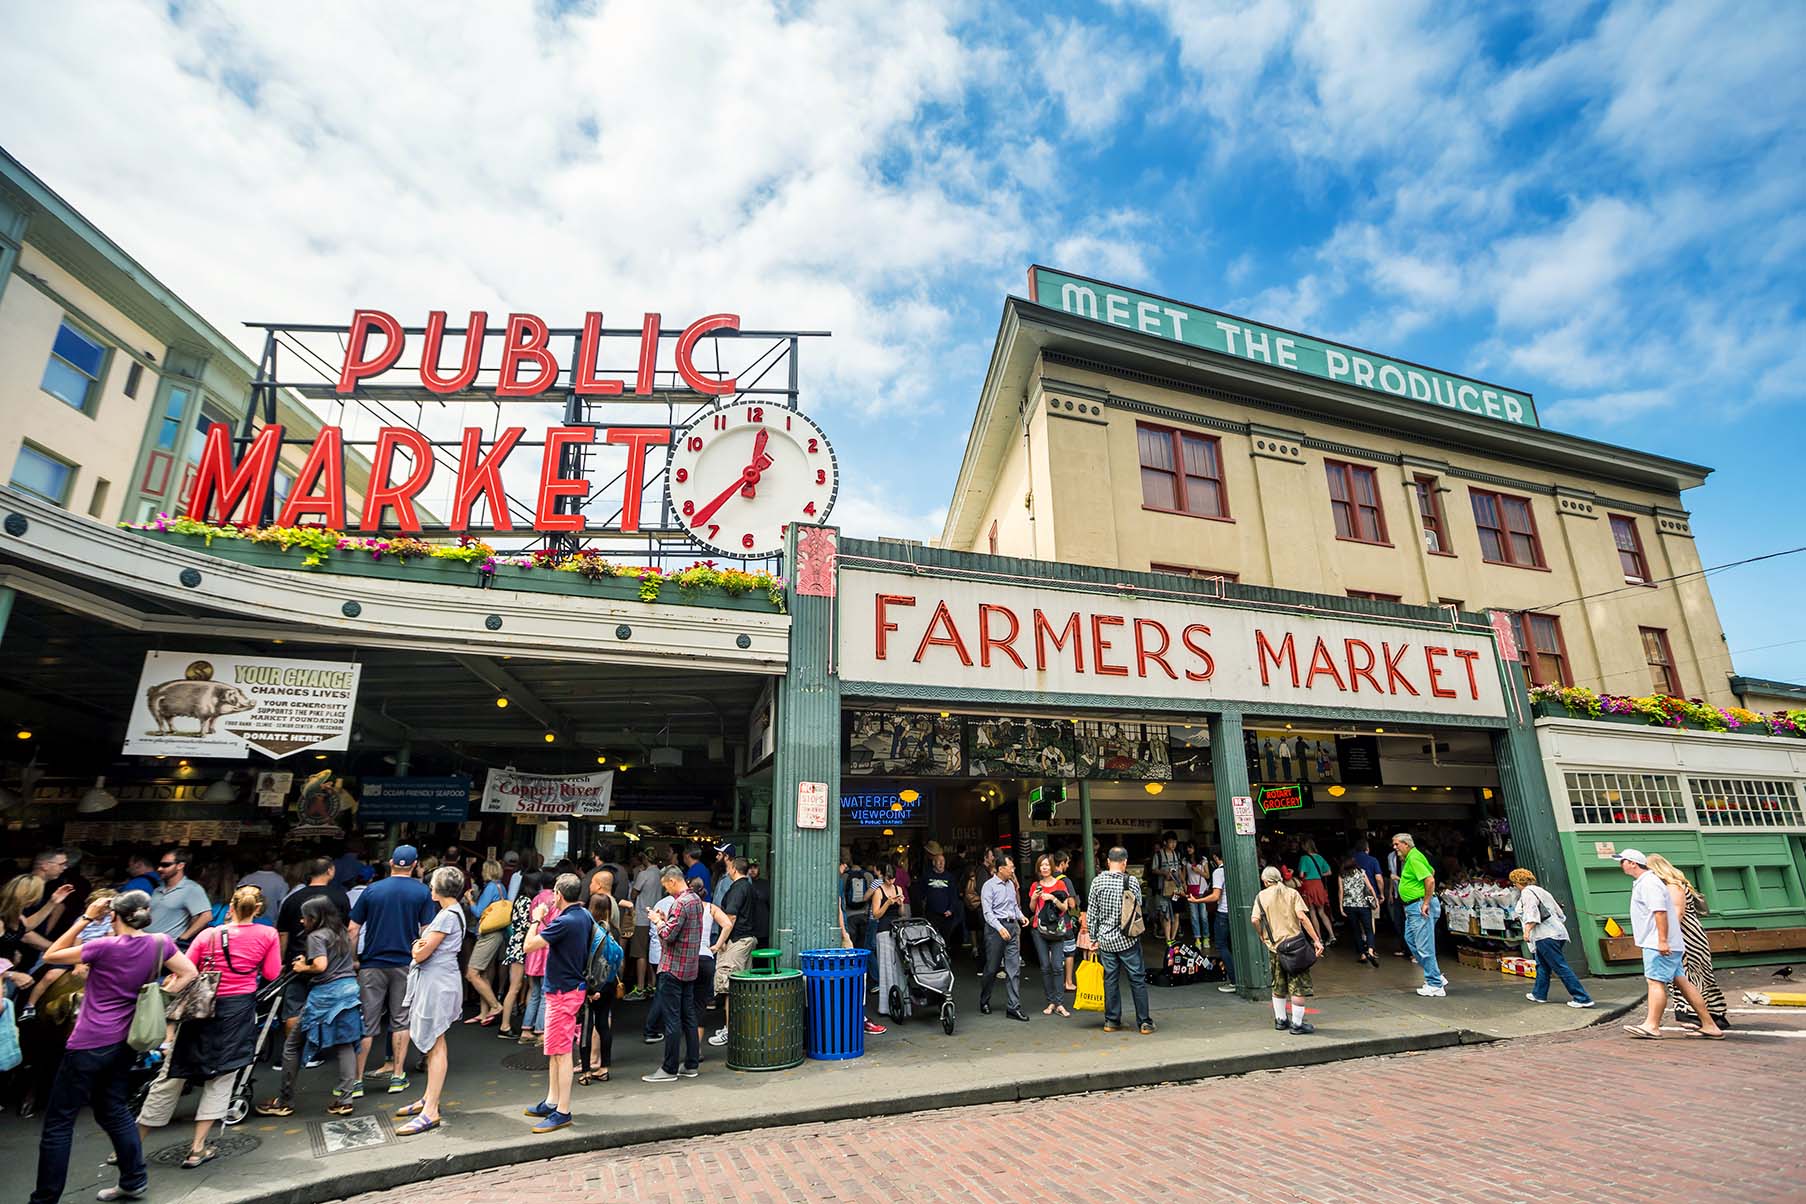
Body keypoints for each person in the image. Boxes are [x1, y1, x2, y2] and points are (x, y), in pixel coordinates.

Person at [30, 890, 198, 1204]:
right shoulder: (160, 942)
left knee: (58, 1123)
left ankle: (44, 1199)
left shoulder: (103, 946)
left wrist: (85, 918)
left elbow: (51, 956)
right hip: (126, 1041)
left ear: (114, 915)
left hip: (89, 1041)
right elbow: (189, 972)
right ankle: (133, 1181)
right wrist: (160, 997)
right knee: (113, 1110)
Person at [136, 885, 280, 1166]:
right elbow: (271, 973)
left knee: (172, 1075)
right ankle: (197, 1148)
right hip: (237, 1011)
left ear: (231, 907)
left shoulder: (209, 934)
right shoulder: (267, 934)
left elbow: (187, 970)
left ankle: (130, 1145)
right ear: (259, 909)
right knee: (221, 1077)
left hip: (201, 1009)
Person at [258, 894, 362, 1117]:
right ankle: (345, 1100)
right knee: (345, 1045)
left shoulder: (316, 936)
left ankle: (285, 1100)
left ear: (315, 917)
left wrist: (302, 968)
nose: (302, 921)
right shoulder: (340, 932)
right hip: (349, 990)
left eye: (305, 917)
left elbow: (320, 965)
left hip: (326, 995)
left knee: (292, 1045)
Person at [349, 844, 436, 1093]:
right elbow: (425, 931)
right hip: (405, 963)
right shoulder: (422, 892)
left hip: (372, 963)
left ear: (391, 863)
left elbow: (353, 929)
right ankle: (397, 1076)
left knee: (366, 1021)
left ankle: (356, 1080)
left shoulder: (372, 890)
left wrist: (354, 959)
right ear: (415, 864)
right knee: (401, 1020)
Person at [1616, 849, 1725, 1040]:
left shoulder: (1648, 883)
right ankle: (1709, 1025)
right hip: (1664, 941)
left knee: (1655, 982)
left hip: (1657, 941)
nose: (1620, 865)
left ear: (1633, 863)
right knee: (1682, 982)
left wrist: (1662, 940)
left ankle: (1652, 1025)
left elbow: (1659, 912)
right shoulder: (1649, 882)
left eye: (1623, 861)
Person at [392, 866, 466, 1135]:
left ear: (437, 890)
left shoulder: (446, 916)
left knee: (435, 1043)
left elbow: (421, 954)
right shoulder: (454, 912)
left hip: (437, 983)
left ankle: (431, 1109)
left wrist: (416, 945)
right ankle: (428, 1099)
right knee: (437, 1041)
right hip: (441, 980)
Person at [523, 872, 593, 1134]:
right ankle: (552, 1100)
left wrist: (537, 919)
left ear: (558, 895)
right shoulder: (583, 915)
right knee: (555, 1050)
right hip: (569, 989)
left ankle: (562, 1110)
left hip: (563, 992)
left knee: (562, 1053)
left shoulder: (565, 921)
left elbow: (530, 945)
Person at [1640, 855, 1727, 1029]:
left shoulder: (1672, 886)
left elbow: (1677, 913)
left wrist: (1666, 939)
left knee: (1690, 974)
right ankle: (1708, 1018)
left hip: (1685, 935)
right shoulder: (1676, 885)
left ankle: (1698, 1017)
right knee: (1689, 975)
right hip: (1687, 934)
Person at [274, 858, 349, 1046]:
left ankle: (292, 1049)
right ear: (330, 871)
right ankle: (316, 1048)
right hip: (330, 962)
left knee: (294, 1009)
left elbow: (283, 934)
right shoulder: (339, 897)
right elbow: (345, 930)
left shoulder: (292, 899)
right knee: (327, 1009)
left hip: (297, 961)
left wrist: (281, 961)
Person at [643, 866, 703, 1083]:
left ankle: (669, 1068)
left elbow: (668, 935)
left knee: (672, 1019)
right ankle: (691, 1063)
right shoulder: (695, 900)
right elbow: (682, 930)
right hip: (689, 967)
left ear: (671, 881)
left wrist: (657, 921)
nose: (666, 890)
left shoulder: (680, 903)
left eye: (665, 886)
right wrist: (665, 918)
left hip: (673, 967)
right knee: (689, 1016)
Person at [1087, 847, 1154, 1034]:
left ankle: (1111, 1021)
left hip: (1106, 941)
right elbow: (1138, 905)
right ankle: (1144, 1022)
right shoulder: (1131, 881)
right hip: (1128, 940)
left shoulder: (1097, 882)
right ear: (1124, 862)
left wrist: (1093, 937)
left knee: (1110, 980)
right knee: (1137, 979)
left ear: (1108, 861)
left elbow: (1092, 912)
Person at [1252, 865, 1323, 1035]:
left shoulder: (1261, 896)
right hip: (1296, 946)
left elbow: (1254, 919)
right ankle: (1297, 1024)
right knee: (1297, 986)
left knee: (1278, 984)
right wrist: (1316, 940)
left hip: (1276, 947)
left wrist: (1262, 935)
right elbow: (1302, 917)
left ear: (1265, 881)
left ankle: (1280, 1020)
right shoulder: (1292, 893)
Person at [1509, 868, 1593, 1009]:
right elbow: (1560, 914)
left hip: (1544, 935)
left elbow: (1532, 912)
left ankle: (1582, 998)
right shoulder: (1542, 891)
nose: (1514, 886)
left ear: (1517, 882)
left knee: (1560, 966)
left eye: (1513, 883)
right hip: (1556, 932)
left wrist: (1527, 931)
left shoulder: (1527, 893)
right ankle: (1539, 994)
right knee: (1542, 965)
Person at [707, 856, 756, 1046]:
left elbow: (730, 918)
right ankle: (736, 1027)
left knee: (730, 987)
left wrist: (720, 943)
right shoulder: (749, 887)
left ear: (734, 869)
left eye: (729, 866)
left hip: (736, 942)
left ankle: (730, 1030)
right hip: (746, 940)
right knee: (739, 987)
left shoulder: (737, 888)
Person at [1393, 833, 1447, 996]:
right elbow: (1432, 870)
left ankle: (1435, 984)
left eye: (1397, 844)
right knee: (1411, 940)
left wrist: (1425, 902)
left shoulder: (1414, 858)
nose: (1394, 848)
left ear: (1406, 844)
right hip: (1414, 907)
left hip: (1419, 906)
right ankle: (1435, 975)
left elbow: (1429, 879)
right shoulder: (1414, 857)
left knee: (1424, 946)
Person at [977, 856, 1030, 1022]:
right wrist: (999, 929)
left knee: (1013, 969)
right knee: (992, 969)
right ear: (1001, 869)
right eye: (1011, 867)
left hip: (1012, 926)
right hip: (995, 928)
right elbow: (987, 912)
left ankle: (1013, 1007)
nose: (1013, 870)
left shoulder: (1011, 885)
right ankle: (984, 1000)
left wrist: (1021, 917)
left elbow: (1013, 906)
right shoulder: (989, 886)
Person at [577, 894, 618, 1086]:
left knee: (587, 1025)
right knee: (603, 1025)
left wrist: (592, 988)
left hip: (593, 985)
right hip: (610, 983)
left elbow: (587, 960)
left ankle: (585, 1070)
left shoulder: (591, 931)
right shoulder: (614, 931)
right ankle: (604, 1068)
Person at [1028, 854, 1074, 1017]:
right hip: (1039, 930)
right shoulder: (1035, 885)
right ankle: (1051, 1002)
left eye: (1047, 865)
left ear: (1052, 867)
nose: (1045, 868)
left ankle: (1060, 1003)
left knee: (1057, 966)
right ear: (1038, 868)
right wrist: (1034, 898)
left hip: (1056, 929)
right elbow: (1033, 909)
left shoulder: (1060, 884)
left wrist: (1053, 898)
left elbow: (1065, 908)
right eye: (1042, 865)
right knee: (1045, 967)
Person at [461, 858, 507, 1026]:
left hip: (487, 934)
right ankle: (483, 1012)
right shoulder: (501, 887)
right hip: (498, 933)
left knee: (472, 973)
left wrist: (470, 900)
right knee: (484, 974)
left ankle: (495, 1006)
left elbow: (479, 912)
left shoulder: (489, 888)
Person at [496, 870, 540, 1037]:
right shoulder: (526, 901)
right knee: (518, 987)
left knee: (520, 986)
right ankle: (506, 1026)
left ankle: (525, 1025)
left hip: (518, 944)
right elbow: (524, 925)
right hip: (522, 945)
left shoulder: (519, 899)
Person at [520, 873, 558, 1046]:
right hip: (546, 949)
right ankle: (541, 1031)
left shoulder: (536, 898)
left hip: (533, 948)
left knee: (534, 992)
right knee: (545, 994)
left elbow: (531, 920)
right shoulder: (555, 899)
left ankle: (526, 1029)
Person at [148, 848, 212, 947]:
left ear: (180, 866)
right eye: (160, 865)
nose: (159, 869)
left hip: (166, 948)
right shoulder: (158, 890)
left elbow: (206, 916)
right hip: (147, 944)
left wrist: (183, 937)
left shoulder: (191, 888)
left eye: (166, 865)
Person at [921, 845, 964, 956]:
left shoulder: (949, 877)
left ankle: (944, 959)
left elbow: (954, 895)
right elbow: (922, 894)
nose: (941, 864)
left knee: (945, 939)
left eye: (943, 861)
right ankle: (933, 959)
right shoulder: (927, 876)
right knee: (932, 938)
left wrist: (950, 909)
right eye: (938, 861)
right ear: (934, 863)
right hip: (932, 914)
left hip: (946, 914)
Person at [627, 856, 661, 1000]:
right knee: (652, 951)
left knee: (640, 953)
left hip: (641, 916)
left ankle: (640, 988)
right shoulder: (661, 873)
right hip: (656, 916)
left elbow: (633, 893)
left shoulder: (643, 874)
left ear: (645, 859)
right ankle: (652, 985)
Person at [1337, 856, 1381, 966]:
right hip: (1363, 905)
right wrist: (1375, 899)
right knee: (1369, 929)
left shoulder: (1341, 875)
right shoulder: (1361, 872)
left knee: (1356, 931)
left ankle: (1362, 954)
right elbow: (1370, 887)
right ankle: (1370, 951)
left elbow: (1340, 892)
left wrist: (1341, 907)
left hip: (1349, 906)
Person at [1204, 850, 1237, 993]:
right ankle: (1241, 977)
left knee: (1221, 945)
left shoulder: (1218, 872)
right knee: (1234, 946)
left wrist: (1197, 900)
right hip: (1236, 913)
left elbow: (1215, 896)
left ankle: (1234, 980)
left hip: (1223, 913)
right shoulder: (1236, 868)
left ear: (1216, 857)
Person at [1295, 839, 1337, 947]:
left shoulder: (1304, 858)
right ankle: (1332, 936)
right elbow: (1329, 872)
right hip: (1319, 885)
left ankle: (1318, 939)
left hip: (1309, 885)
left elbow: (1301, 874)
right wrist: (1318, 875)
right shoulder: (1320, 857)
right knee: (1322, 912)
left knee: (1312, 912)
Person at [1052, 849, 1081, 992]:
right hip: (1065, 921)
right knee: (1069, 951)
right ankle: (1068, 982)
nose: (1068, 866)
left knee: (1054, 951)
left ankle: (1055, 982)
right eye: (1067, 863)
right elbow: (1072, 904)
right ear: (1062, 863)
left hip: (1050, 923)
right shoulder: (1065, 880)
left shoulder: (1047, 878)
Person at [1150, 832, 1183, 944]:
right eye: (1171, 842)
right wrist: (1164, 873)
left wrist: (1183, 883)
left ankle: (1173, 938)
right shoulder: (1158, 855)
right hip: (1163, 889)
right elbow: (1154, 869)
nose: (1173, 844)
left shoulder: (1177, 854)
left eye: (1175, 842)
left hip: (1176, 888)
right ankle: (1168, 939)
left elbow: (1179, 870)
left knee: (1176, 913)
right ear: (1165, 842)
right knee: (1166, 914)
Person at [1185, 847, 1211, 945]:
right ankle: (1197, 938)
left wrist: (1198, 871)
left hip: (1202, 890)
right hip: (1191, 890)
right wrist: (1184, 884)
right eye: (1188, 847)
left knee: (1203, 915)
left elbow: (1208, 875)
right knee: (1194, 916)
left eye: (1191, 847)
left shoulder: (1203, 860)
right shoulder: (1185, 860)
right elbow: (1183, 875)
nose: (1189, 849)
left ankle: (1206, 937)